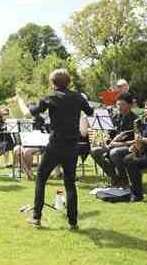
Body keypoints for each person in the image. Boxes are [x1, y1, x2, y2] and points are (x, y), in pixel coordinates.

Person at [26, 69, 93, 230]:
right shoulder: (78, 97)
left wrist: (25, 102)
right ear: (69, 82)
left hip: (55, 145)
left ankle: (36, 218)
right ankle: (73, 222)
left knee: (41, 179)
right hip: (72, 146)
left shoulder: (50, 97)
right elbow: (90, 112)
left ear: (53, 83)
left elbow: (31, 112)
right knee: (70, 184)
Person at [90, 92, 137, 186]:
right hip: (114, 145)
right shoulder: (115, 117)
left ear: (130, 105)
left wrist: (112, 143)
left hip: (129, 147)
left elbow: (134, 141)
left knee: (114, 152)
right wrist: (106, 141)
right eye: (118, 104)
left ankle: (124, 179)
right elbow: (110, 135)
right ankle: (114, 177)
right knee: (94, 150)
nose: (119, 107)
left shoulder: (135, 119)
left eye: (122, 104)